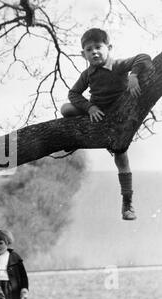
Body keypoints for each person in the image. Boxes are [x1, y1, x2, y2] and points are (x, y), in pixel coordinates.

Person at [60, 28, 153, 221]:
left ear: (108, 48)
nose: (94, 52)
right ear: (83, 54)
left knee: (122, 160)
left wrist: (133, 75)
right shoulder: (88, 74)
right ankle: (73, 139)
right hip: (97, 113)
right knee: (66, 109)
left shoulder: (118, 65)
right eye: (88, 49)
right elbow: (73, 94)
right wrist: (90, 107)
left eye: (98, 47)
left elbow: (143, 56)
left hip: (117, 116)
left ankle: (127, 204)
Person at [0, 229, 29, 299]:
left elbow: (23, 275)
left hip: (12, 288)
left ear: (7, 243)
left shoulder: (15, 257)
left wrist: (24, 288)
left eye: (0, 243)